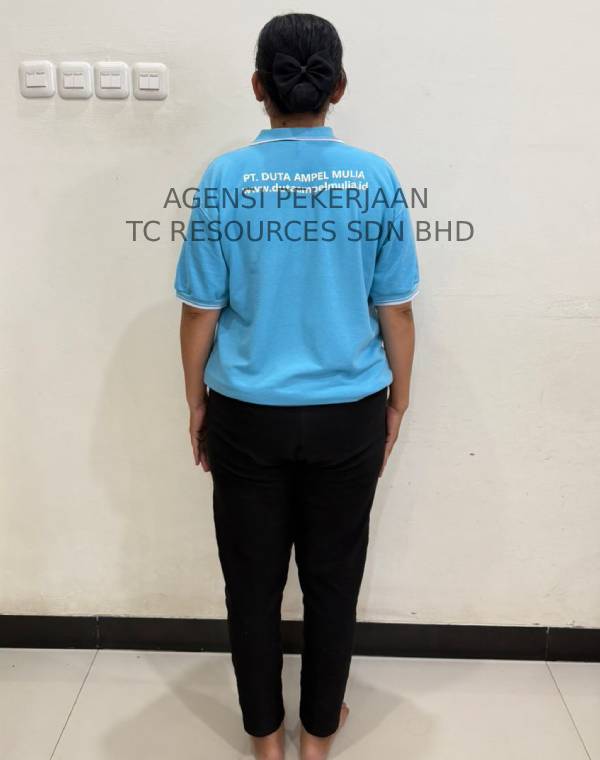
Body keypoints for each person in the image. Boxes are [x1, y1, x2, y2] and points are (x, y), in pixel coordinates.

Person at [174, 12, 419, 760]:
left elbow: (200, 310)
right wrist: (398, 401)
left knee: (250, 583)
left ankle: (265, 739)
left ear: (259, 86)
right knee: (333, 580)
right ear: (338, 87)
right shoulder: (375, 177)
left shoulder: (225, 178)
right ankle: (317, 738)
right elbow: (396, 308)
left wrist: (196, 402)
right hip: (348, 411)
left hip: (248, 412)